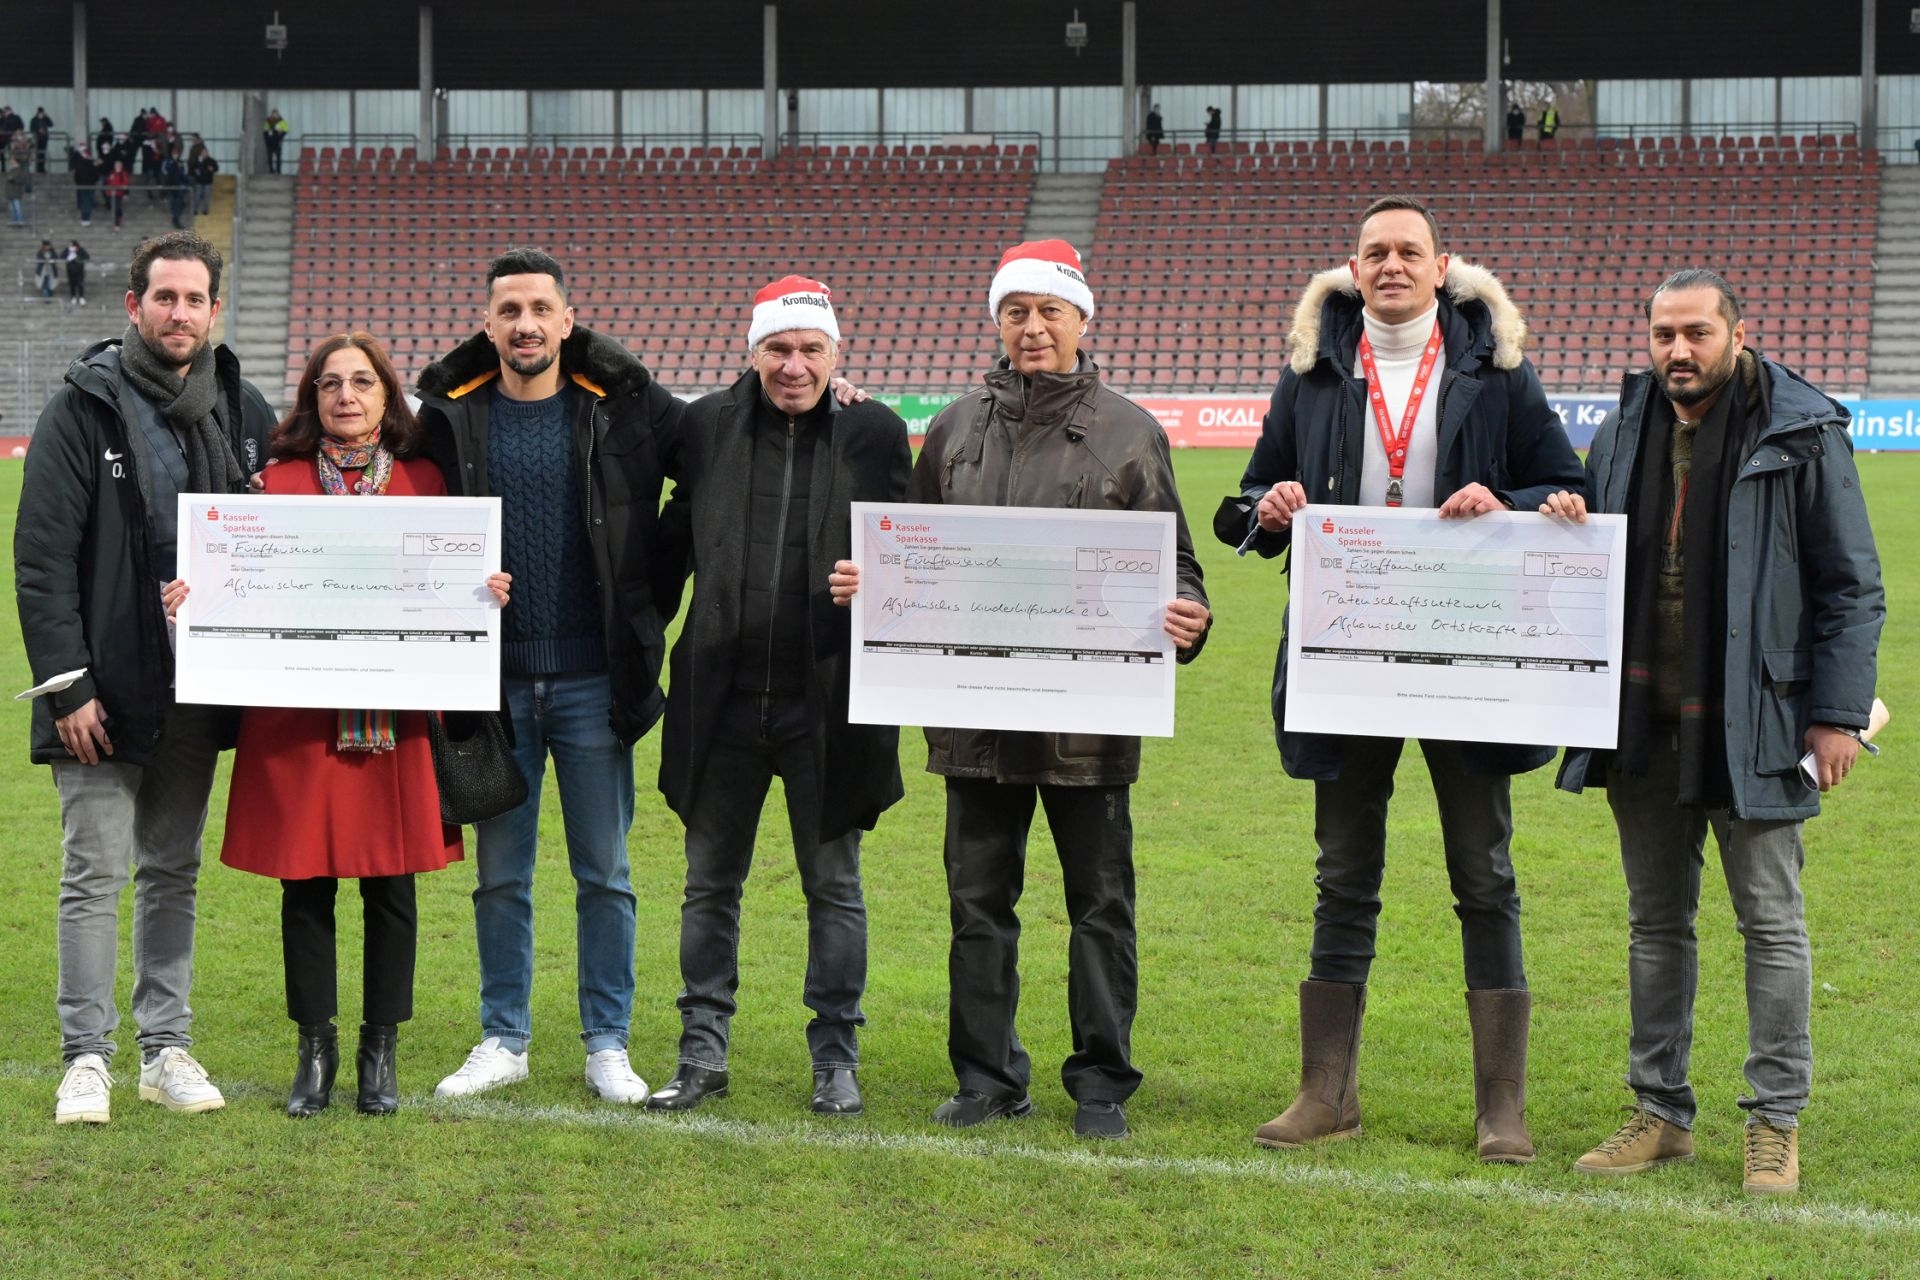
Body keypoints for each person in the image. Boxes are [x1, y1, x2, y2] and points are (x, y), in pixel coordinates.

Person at [833, 240, 1212, 1141]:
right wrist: (871, 584)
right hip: (975, 719)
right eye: (1016, 313)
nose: (1032, 328)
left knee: (1100, 906)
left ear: (1082, 319)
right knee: (978, 904)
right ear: (997, 323)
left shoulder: (1131, 431)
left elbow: (1178, 564)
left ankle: (1101, 1082)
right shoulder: (955, 428)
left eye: (1049, 311)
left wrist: (1189, 614)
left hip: (1091, 723)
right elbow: (913, 551)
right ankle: (987, 1076)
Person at [1236, 195, 1583, 1162]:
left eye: (1409, 251)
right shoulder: (1312, 372)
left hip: (1465, 656)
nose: (1391, 265)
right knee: (1343, 875)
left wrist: (1506, 501)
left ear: (1441, 267)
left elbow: (1569, 484)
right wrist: (1270, 507)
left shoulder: (1498, 371)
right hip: (1347, 656)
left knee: (1485, 874)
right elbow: (1249, 494)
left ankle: (1501, 1107)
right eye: (1375, 252)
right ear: (1353, 270)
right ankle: (1327, 1092)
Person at [1545, 270, 1884, 1196]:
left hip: (1760, 720)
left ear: (1738, 333)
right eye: (1664, 334)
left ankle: (1775, 1121)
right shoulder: (1622, 427)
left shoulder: (1800, 430)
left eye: (1696, 332)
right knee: (1656, 924)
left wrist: (1838, 714)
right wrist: (1565, 515)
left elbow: (1852, 584)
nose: (1678, 351)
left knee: (1770, 924)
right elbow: (1588, 555)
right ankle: (1660, 1112)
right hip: (1642, 717)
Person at [178, 334, 509, 1118]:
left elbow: (449, 589)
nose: (346, 396)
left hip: (399, 723)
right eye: (330, 383)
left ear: (387, 396)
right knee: (307, 883)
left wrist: (484, 589)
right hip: (298, 723)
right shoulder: (274, 484)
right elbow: (239, 589)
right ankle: (315, 1050)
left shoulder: (428, 483)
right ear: (312, 397)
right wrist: (194, 599)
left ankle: (379, 1051)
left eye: (362, 382)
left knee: (392, 884)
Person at [16, 230, 275, 1126]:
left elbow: (283, 530)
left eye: (194, 298)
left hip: (197, 686)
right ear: (134, 306)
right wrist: (68, 685)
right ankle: (86, 1058)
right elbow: (42, 559)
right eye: (164, 297)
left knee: (172, 869)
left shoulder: (240, 406)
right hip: (104, 688)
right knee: (95, 872)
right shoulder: (81, 407)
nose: (179, 312)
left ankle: (165, 1047)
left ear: (214, 310)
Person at [415, 248, 685, 1106]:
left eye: (540, 309)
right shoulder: (450, 418)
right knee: (502, 875)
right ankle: (505, 1037)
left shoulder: (623, 407)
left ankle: (608, 1041)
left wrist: (646, 605)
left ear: (569, 321)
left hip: (595, 683)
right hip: (494, 685)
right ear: (487, 324)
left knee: (605, 873)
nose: (525, 324)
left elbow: (718, 445)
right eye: (509, 311)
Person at [646, 277, 911, 1117]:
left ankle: (836, 1058)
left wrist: (880, 582)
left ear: (837, 356)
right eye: (778, 349)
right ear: (753, 351)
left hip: (825, 702)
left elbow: (913, 551)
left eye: (810, 350)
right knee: (707, 886)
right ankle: (701, 1053)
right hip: (720, 699)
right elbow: (667, 546)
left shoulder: (874, 431)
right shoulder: (704, 427)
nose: (794, 365)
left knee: (833, 886)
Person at [68, 143, 98, 226]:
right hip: (86, 184)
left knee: (86, 201)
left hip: (86, 184)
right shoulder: (88, 163)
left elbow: (95, 174)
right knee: (86, 201)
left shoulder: (84, 164)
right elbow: (95, 174)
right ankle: (85, 218)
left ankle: (85, 218)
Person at [188, 142, 217, 218]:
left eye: (205, 152)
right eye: (202, 153)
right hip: (199, 181)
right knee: (197, 196)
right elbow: (192, 167)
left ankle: (205, 210)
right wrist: (195, 170)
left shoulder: (211, 161)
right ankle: (195, 209)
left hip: (208, 182)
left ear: (207, 153)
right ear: (201, 153)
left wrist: (212, 169)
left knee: (207, 196)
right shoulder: (198, 161)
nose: (204, 154)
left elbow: (216, 168)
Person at [162, 146, 188, 229]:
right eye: (174, 153)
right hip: (171, 185)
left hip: (179, 185)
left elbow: (184, 173)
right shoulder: (168, 161)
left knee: (181, 203)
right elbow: (165, 172)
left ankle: (175, 218)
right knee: (173, 202)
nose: (175, 155)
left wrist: (180, 168)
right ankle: (175, 219)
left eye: (176, 153)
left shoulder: (181, 162)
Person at [105, 160, 130, 230]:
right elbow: (108, 182)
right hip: (111, 194)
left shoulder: (124, 174)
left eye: (119, 165)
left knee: (117, 208)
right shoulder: (111, 173)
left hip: (119, 194)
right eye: (116, 165)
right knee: (112, 207)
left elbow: (126, 184)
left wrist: (125, 193)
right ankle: (117, 220)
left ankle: (117, 223)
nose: (117, 166)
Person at [65, 239, 89, 305]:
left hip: (79, 271)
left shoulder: (81, 250)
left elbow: (87, 256)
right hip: (70, 271)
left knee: (80, 284)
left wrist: (78, 256)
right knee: (72, 284)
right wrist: (68, 254)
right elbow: (62, 256)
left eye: (73, 247)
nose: (72, 248)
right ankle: (73, 297)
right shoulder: (67, 250)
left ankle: (81, 297)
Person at [264, 109, 288, 174]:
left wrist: (280, 137)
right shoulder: (268, 121)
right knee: (270, 157)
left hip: (277, 142)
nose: (274, 116)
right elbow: (265, 132)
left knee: (278, 157)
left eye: (276, 114)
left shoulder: (281, 121)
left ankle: (278, 170)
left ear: (278, 115)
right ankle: (271, 170)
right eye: (273, 114)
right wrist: (267, 141)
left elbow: (286, 130)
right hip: (270, 142)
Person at [30, 107, 53, 173]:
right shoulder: (34, 119)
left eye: (42, 113)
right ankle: (38, 168)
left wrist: (47, 117)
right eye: (40, 113)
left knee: (43, 153)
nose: (41, 114)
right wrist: (38, 130)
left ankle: (42, 168)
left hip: (44, 138)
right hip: (38, 138)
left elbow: (51, 124)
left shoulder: (45, 119)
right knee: (38, 153)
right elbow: (31, 129)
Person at [5, 161, 26, 226]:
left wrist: (13, 180)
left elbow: (22, 181)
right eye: (11, 163)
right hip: (10, 193)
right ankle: (14, 221)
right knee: (12, 208)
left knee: (17, 207)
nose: (12, 164)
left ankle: (19, 220)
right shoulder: (11, 171)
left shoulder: (20, 171)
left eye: (13, 163)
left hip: (16, 192)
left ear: (17, 163)